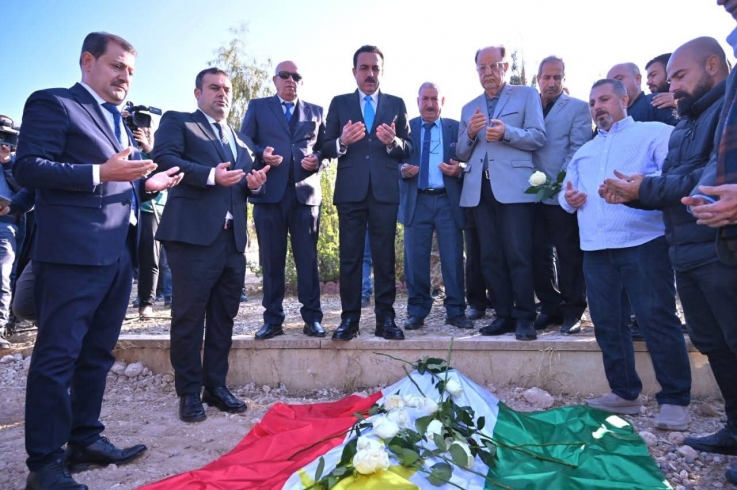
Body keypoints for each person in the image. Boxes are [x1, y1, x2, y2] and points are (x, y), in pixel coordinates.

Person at [14, 32, 182, 490]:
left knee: (96, 355)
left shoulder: (118, 121)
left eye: (131, 70)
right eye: (116, 66)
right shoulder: (55, 103)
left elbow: (119, 179)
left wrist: (145, 184)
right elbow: (28, 168)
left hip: (117, 253)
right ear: (87, 61)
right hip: (70, 254)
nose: (125, 77)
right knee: (58, 357)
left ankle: (84, 439)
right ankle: (44, 464)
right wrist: (99, 172)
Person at [560, 78, 692, 430]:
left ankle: (675, 399)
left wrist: (639, 186)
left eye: (604, 99)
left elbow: (673, 175)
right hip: (595, 249)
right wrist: (569, 199)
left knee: (656, 319)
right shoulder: (585, 151)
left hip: (643, 244)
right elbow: (565, 194)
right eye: (592, 103)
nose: (597, 107)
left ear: (624, 100)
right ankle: (623, 392)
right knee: (607, 323)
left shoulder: (654, 134)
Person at [154, 67, 268, 423]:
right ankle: (188, 392)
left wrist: (255, 184)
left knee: (223, 316)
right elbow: (165, 160)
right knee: (189, 317)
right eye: (214, 88)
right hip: (192, 237)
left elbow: (242, 185)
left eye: (227, 89)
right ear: (198, 93)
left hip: (232, 240)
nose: (222, 94)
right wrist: (209, 175)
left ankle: (215, 386)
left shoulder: (240, 139)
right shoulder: (180, 122)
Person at [679, 3, 737, 483]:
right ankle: (735, 428)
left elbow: (694, 175)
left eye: (680, 75)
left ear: (712, 66)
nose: (672, 85)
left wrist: (644, 189)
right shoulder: (688, 120)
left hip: (717, 245)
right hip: (693, 244)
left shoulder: (720, 106)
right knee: (715, 344)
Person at [456, 45, 547, 341]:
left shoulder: (527, 95)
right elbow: (461, 153)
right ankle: (503, 315)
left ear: (505, 67)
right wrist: (471, 134)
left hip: (515, 189)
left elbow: (538, 137)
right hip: (479, 191)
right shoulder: (469, 108)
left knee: (518, 254)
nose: (488, 72)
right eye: (482, 67)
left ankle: (525, 317)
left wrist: (507, 132)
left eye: (494, 65)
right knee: (490, 257)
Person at [322, 45, 412, 341]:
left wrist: (393, 143)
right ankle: (350, 320)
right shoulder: (340, 103)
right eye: (364, 68)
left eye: (375, 68)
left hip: (384, 192)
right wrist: (342, 142)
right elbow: (324, 146)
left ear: (381, 71)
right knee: (350, 258)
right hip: (351, 192)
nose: (370, 73)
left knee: (385, 258)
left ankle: (386, 319)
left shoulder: (396, 104)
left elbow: (409, 147)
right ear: (354, 72)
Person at [240, 60, 326, 340]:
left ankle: (312, 319)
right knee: (271, 261)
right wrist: (260, 154)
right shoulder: (258, 107)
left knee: (307, 261)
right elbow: (244, 141)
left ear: (301, 81)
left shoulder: (316, 111)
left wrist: (319, 160)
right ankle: (273, 320)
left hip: (306, 196)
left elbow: (325, 149)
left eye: (296, 76)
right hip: (269, 196)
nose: (291, 80)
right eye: (285, 75)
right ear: (275, 80)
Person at [398, 82, 471, 330]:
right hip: (416, 200)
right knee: (415, 260)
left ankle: (456, 311)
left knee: (453, 257)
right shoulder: (407, 128)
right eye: (425, 99)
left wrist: (459, 169)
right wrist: (402, 170)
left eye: (434, 99)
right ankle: (417, 311)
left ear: (442, 102)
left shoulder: (455, 128)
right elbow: (392, 160)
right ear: (417, 101)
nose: (430, 104)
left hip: (447, 201)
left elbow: (469, 160)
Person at [531, 57, 592, 334]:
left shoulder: (578, 108)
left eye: (557, 77)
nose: (552, 82)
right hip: (530, 194)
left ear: (564, 79)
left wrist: (559, 183)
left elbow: (578, 148)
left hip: (561, 193)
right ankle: (549, 305)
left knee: (568, 253)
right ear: (538, 79)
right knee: (537, 253)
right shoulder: (529, 106)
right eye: (547, 77)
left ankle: (573, 309)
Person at [608, 62, 679, 125]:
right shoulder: (608, 117)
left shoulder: (657, 101)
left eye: (619, 79)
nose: (613, 87)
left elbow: (679, 131)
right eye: (609, 84)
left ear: (637, 79)